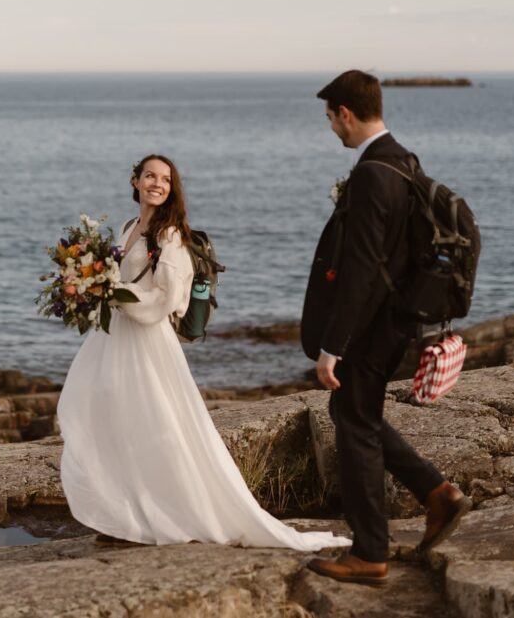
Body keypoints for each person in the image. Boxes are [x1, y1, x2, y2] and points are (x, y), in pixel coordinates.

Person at [57, 153, 349, 552]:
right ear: (136, 181)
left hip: (147, 342)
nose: (156, 184)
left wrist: (114, 296)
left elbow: (167, 298)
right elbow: (114, 275)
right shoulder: (127, 227)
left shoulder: (171, 234)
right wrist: (92, 289)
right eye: (149, 176)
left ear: (171, 188)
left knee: (156, 428)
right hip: (114, 338)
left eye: (164, 179)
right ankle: (124, 515)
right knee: (110, 421)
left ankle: (165, 513)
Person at [301, 71, 471, 585]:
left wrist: (334, 345)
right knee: (354, 412)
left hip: (374, 329)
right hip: (398, 322)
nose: (332, 129)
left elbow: (364, 270)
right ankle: (437, 493)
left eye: (332, 118)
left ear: (346, 114)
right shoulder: (403, 162)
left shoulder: (374, 173)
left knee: (355, 427)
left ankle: (370, 551)